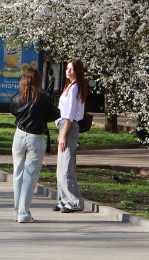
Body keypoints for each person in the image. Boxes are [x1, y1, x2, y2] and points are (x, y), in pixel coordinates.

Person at [10, 67, 60, 223]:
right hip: (35, 137)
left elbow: (13, 110)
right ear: (38, 81)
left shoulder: (17, 98)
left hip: (19, 135)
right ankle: (23, 213)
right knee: (30, 176)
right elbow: (54, 114)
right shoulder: (42, 99)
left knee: (18, 174)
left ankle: (17, 210)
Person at [54, 58, 88, 213]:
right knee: (62, 166)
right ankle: (63, 200)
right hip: (64, 126)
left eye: (72, 69)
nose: (68, 71)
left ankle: (74, 202)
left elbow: (69, 115)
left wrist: (63, 135)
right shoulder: (70, 87)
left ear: (78, 71)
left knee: (65, 168)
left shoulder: (75, 88)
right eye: (67, 68)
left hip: (68, 127)